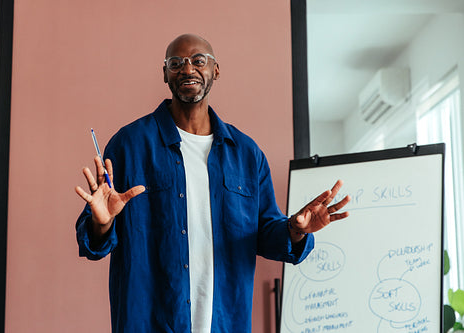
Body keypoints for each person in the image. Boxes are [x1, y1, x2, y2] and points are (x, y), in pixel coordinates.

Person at [75, 34, 350, 333]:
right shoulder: (129, 145)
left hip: (225, 322)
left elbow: (264, 234)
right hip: (148, 322)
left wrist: (295, 230)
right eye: (176, 63)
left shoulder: (246, 154)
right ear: (165, 74)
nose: (187, 69)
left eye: (198, 60)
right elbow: (94, 244)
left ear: (216, 70)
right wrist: (101, 224)